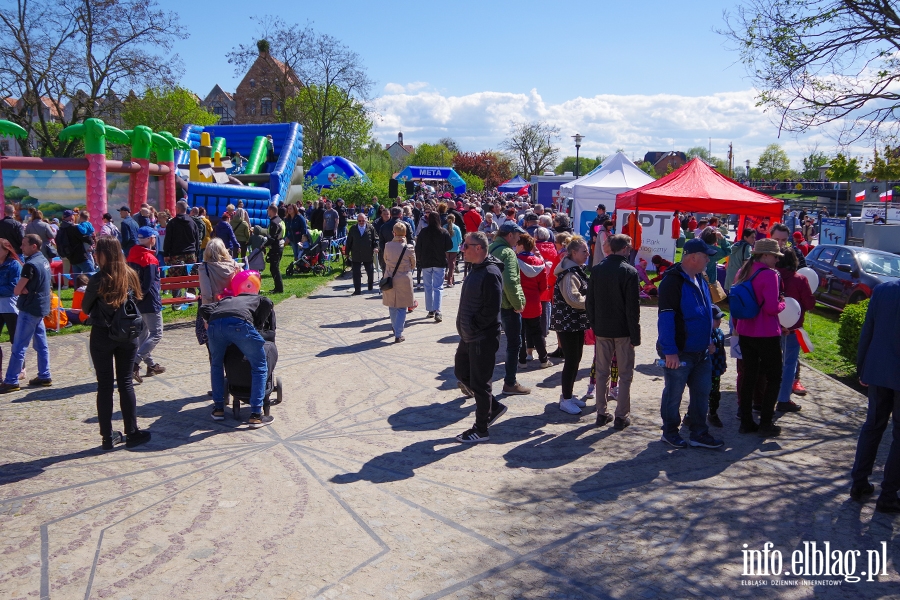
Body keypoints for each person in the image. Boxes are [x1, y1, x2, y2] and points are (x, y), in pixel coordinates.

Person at [82, 237, 151, 449]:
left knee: (104, 386)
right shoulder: (130, 274)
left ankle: (107, 437)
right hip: (127, 334)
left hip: (103, 334)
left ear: (104, 254)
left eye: (97, 252)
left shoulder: (98, 279)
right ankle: (132, 432)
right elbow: (138, 298)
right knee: (125, 383)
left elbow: (85, 308)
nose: (94, 255)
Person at [656, 238, 724, 449]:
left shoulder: (701, 279)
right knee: (674, 393)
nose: (708, 261)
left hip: (702, 351)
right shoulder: (672, 282)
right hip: (680, 351)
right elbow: (665, 319)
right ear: (693, 257)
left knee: (701, 393)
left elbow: (706, 309)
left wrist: (710, 341)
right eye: (705, 257)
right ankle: (669, 432)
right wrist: (670, 352)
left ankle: (698, 432)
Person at [850, 277, 900, 512]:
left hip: (879, 370)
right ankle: (888, 495)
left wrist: (862, 367)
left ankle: (859, 483)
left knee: (873, 426)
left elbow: (867, 330)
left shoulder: (883, 290)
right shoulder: (882, 290)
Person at [200, 278, 274, 428]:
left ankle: (219, 409)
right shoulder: (258, 298)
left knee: (216, 365)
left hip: (214, 325)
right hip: (240, 323)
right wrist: (258, 324)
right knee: (259, 366)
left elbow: (204, 309)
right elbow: (268, 303)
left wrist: (216, 323)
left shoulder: (227, 299)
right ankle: (255, 414)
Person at [454, 232, 506, 443]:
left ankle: (481, 429)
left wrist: (475, 325)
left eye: (466, 246)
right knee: (461, 372)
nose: (462, 249)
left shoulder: (490, 272)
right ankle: (494, 407)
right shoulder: (476, 268)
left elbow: (492, 308)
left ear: (479, 248)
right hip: (469, 335)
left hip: (481, 337)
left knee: (480, 384)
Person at [732, 238, 786, 437]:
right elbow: (772, 308)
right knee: (774, 377)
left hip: (746, 330)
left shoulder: (743, 271)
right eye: (774, 256)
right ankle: (765, 422)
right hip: (767, 333)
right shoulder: (770, 275)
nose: (776, 260)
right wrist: (783, 304)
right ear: (764, 255)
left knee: (749, 376)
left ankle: (746, 421)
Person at [586, 234, 640, 429]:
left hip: (603, 329)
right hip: (623, 330)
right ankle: (621, 415)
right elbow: (632, 309)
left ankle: (601, 412)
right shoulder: (629, 272)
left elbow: (589, 302)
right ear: (624, 248)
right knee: (625, 374)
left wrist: (595, 324)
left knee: (602, 372)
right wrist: (635, 335)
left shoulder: (598, 269)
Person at [0, 233, 52, 392]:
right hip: (40, 307)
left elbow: (16, 289)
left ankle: (11, 380)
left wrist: (21, 290)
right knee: (41, 344)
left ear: (33, 246)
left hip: (29, 309)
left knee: (19, 346)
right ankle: (45, 375)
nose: (21, 247)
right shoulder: (43, 261)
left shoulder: (29, 265)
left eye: (24, 244)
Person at [490, 221, 530, 395]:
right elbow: (511, 281)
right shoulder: (508, 253)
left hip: (490, 304)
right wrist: (518, 303)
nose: (519, 239)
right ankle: (510, 383)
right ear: (509, 235)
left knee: (488, 344)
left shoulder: (489, 248)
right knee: (514, 344)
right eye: (517, 235)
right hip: (506, 305)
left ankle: (474, 380)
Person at [551, 236, 591, 414]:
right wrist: (592, 302)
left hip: (575, 323)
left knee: (575, 359)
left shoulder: (575, 270)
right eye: (584, 251)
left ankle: (568, 395)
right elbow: (573, 299)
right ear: (573, 253)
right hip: (567, 323)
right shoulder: (569, 274)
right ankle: (566, 398)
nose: (588, 253)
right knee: (571, 361)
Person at [775, 248, 815, 412]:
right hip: (792, 329)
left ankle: (766, 398)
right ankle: (783, 399)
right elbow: (809, 304)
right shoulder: (800, 280)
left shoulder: (772, 277)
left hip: (772, 327)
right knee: (789, 365)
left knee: (771, 365)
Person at [127, 227, 165, 385]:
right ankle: (134, 363)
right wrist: (142, 296)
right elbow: (149, 283)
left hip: (136, 299)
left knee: (143, 334)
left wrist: (135, 297)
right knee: (157, 333)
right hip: (149, 300)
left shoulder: (132, 254)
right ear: (151, 239)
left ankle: (151, 366)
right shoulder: (150, 259)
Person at [515, 233, 551, 368]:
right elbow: (543, 287)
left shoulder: (515, 261)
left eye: (517, 244)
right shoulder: (540, 262)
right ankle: (543, 360)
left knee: (520, 333)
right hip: (535, 302)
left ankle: (522, 360)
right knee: (537, 332)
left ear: (522, 245)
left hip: (518, 301)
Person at [382, 222, 416, 343]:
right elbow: (413, 264)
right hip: (404, 278)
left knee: (392, 305)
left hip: (390, 276)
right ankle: (398, 332)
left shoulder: (387, 245)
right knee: (402, 307)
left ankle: (394, 326)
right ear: (405, 233)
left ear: (394, 233)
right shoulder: (409, 247)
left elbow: (385, 259)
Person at [414, 211, 451, 320]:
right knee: (438, 287)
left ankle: (430, 309)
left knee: (428, 287)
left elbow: (418, 247)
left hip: (426, 262)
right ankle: (438, 311)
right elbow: (449, 246)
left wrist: (419, 258)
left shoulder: (423, 232)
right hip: (439, 261)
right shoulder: (443, 232)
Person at [163, 201, 200, 300]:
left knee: (175, 279)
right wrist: (196, 253)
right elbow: (197, 240)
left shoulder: (172, 223)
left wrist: (166, 254)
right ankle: (191, 298)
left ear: (178, 209)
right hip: (191, 254)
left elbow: (168, 240)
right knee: (191, 278)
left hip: (176, 254)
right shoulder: (193, 223)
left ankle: (176, 300)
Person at [0, 238, 22, 377]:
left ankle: (20, 367)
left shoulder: (14, 264)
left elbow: (13, 287)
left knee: (15, 339)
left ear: (6, 250)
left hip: (11, 307)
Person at [346, 212, 377, 295]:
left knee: (370, 271)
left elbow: (375, 239)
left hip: (367, 253)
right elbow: (349, 241)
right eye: (359, 221)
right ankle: (357, 290)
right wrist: (347, 252)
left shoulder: (370, 228)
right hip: (356, 253)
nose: (361, 222)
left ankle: (370, 285)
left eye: (363, 221)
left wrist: (376, 247)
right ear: (357, 221)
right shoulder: (353, 228)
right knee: (356, 273)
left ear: (366, 220)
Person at [707, 306, 728, 428]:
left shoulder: (719, 333)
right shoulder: (703, 335)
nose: (719, 321)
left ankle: (713, 413)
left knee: (715, 393)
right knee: (700, 393)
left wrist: (723, 365)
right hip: (704, 371)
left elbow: (722, 352)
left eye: (720, 318)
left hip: (716, 371)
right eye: (716, 319)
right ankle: (690, 414)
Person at [56, 210, 93, 274]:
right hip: (81, 256)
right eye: (73, 215)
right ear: (71, 217)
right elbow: (86, 238)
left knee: (77, 279)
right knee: (92, 275)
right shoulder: (74, 227)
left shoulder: (61, 229)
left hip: (71, 257)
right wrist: (92, 242)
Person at [265, 204, 285, 294]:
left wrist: (264, 245)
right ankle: (278, 287)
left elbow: (272, 238)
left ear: (271, 211)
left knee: (274, 268)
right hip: (280, 245)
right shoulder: (280, 220)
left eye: (268, 210)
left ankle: (279, 288)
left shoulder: (274, 222)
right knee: (275, 267)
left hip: (276, 247)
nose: (267, 212)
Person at [445, 214, 462, 287]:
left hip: (446, 248)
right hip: (454, 248)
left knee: (449, 263)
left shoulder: (444, 227)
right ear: (454, 220)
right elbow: (460, 239)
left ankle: (451, 279)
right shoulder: (457, 228)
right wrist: (458, 244)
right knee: (452, 265)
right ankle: (450, 281)